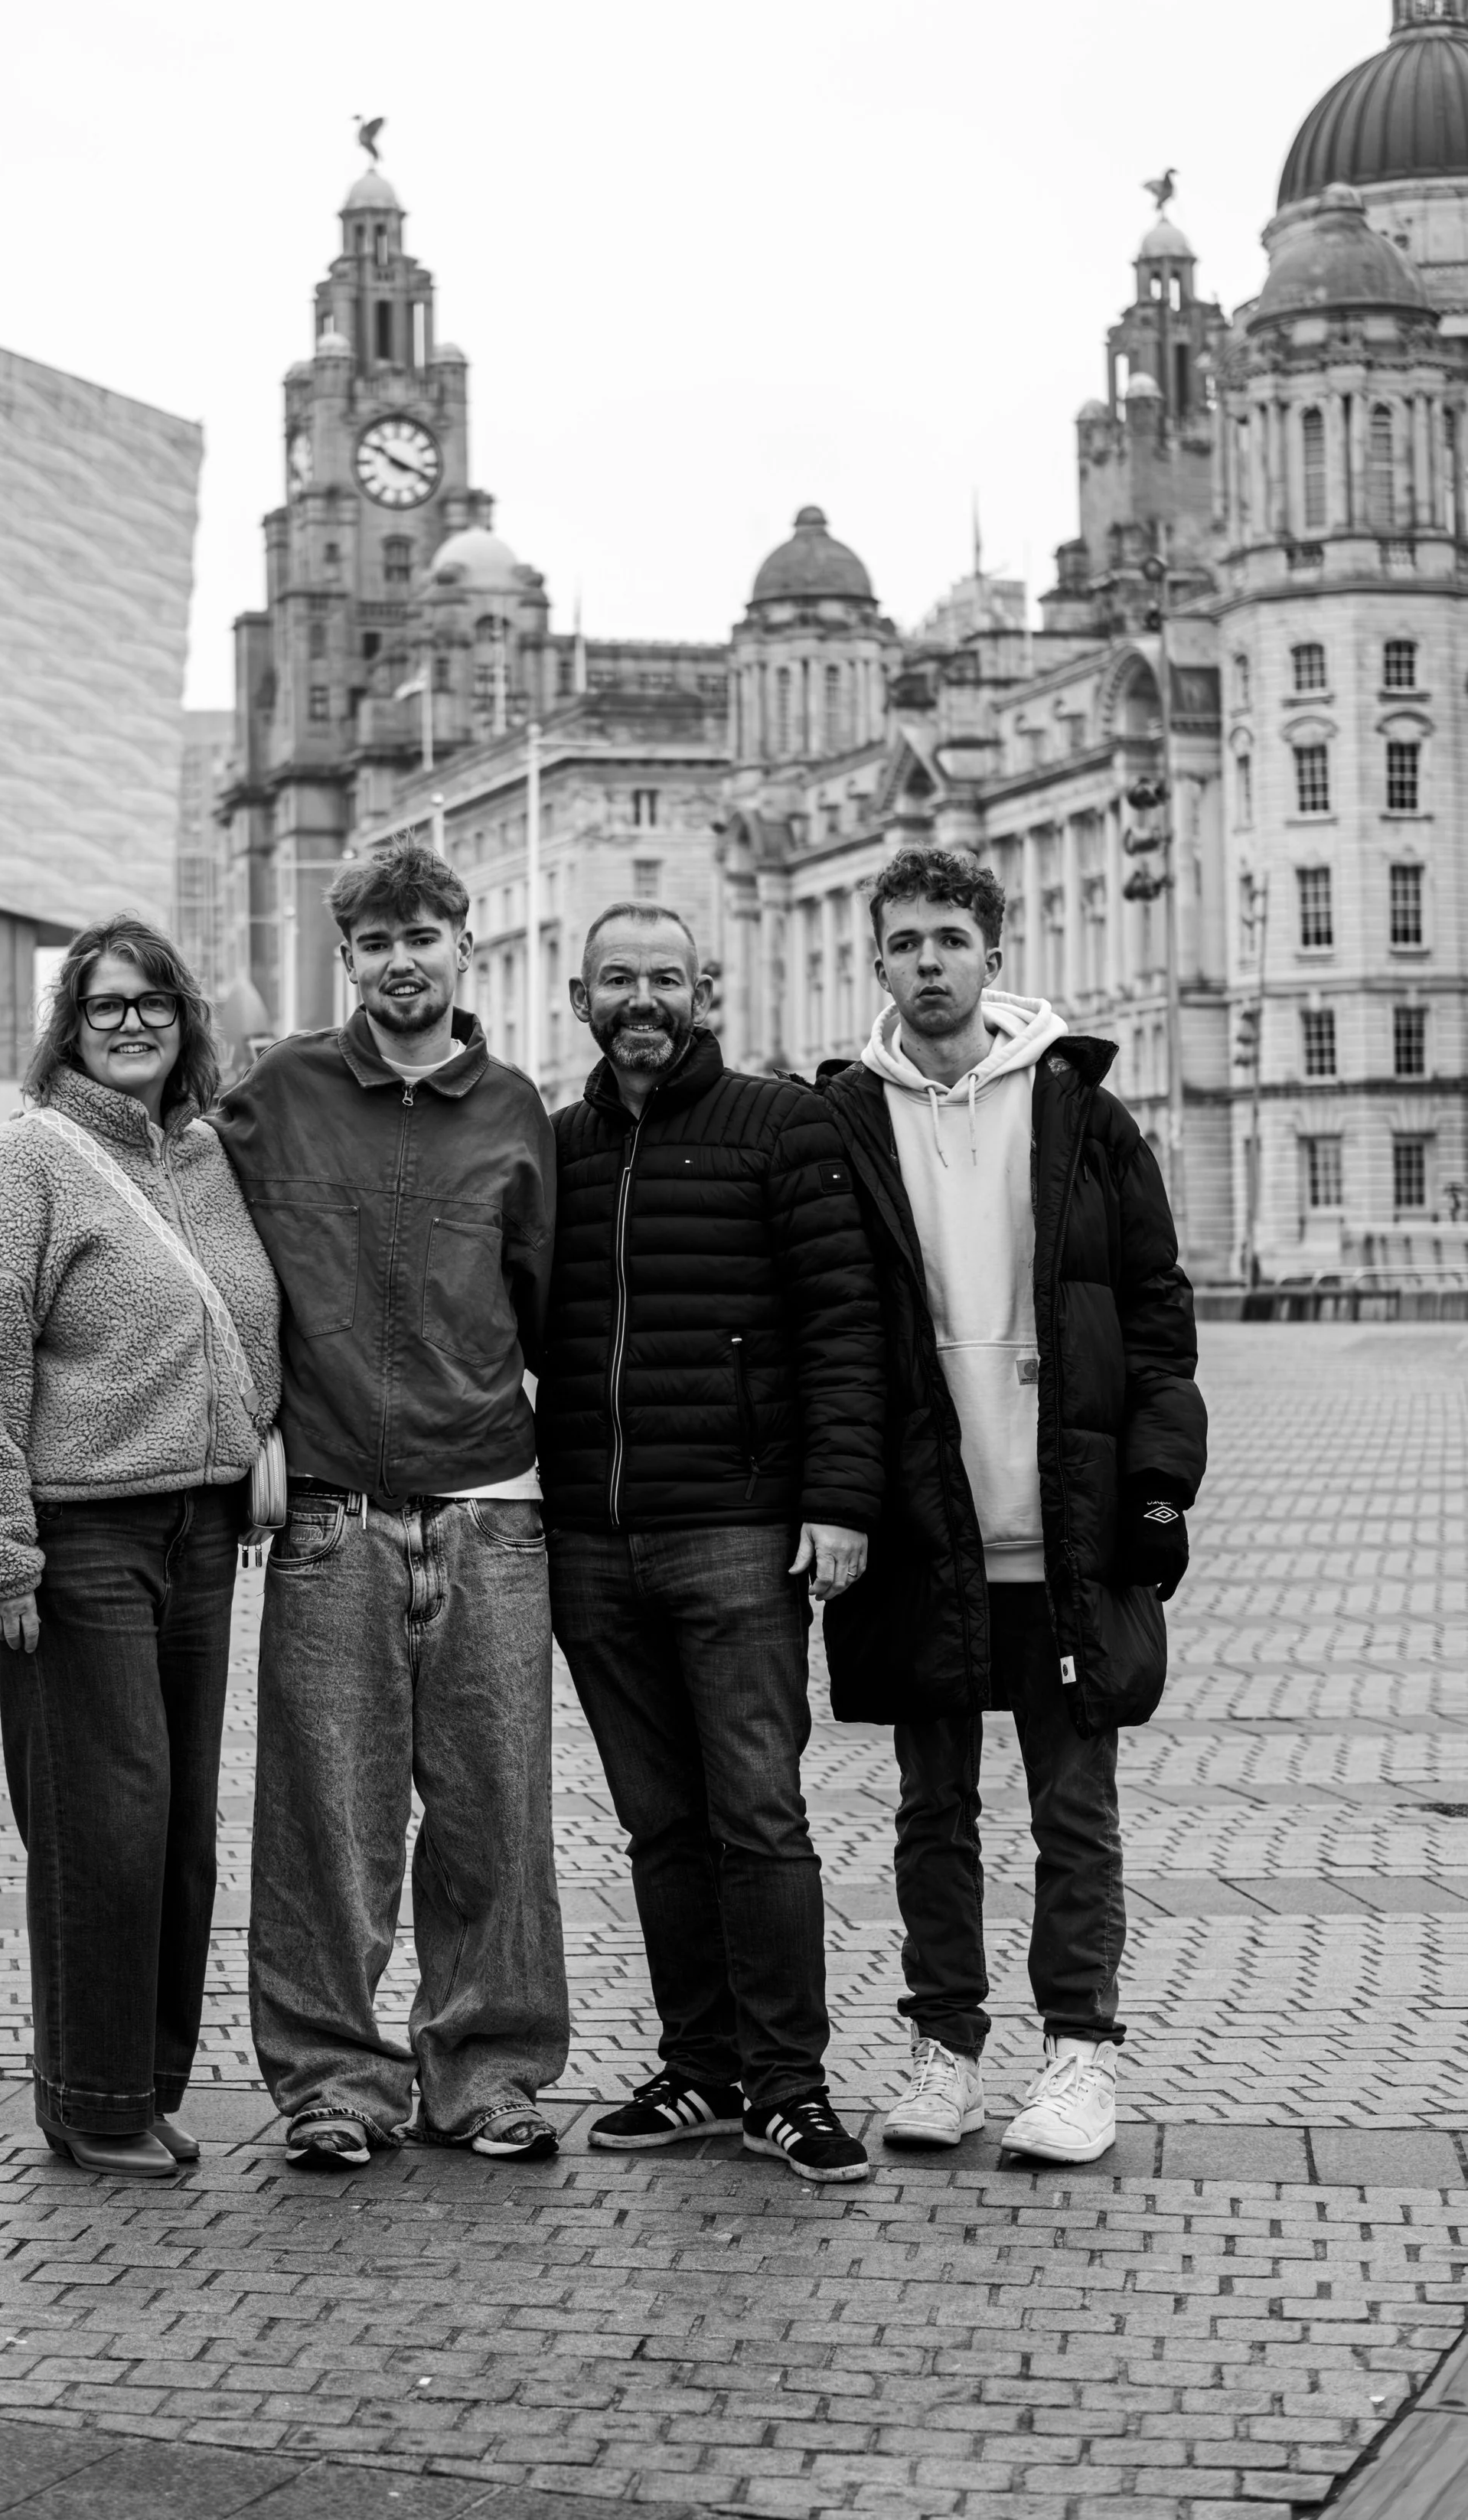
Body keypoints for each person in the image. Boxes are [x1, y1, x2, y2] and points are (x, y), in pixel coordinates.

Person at [815, 846, 1206, 2166]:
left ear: (994, 953)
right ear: (876, 960)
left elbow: (1155, 1310)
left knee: (1071, 1806)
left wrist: (1160, 1489)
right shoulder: (841, 1122)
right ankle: (944, 2050)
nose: (926, 961)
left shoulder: (1085, 1113)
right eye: (904, 940)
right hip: (922, 1520)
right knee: (932, 1809)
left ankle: (1079, 2057)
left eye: (948, 938)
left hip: (1065, 1517)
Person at [211, 834, 567, 2172]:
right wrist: (246, 1419)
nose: (401, 961)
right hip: (330, 1515)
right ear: (347, 956)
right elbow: (204, 1248)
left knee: (495, 1811)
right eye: (376, 942)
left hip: (490, 1504)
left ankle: (487, 2073)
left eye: (425, 936)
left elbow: (543, 1299)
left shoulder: (516, 1107)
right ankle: (332, 2086)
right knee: (326, 1814)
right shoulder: (280, 1091)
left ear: (463, 947)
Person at [0, 916, 280, 2180]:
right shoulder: (29, 1165)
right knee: (102, 1824)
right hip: (81, 1540)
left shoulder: (205, 1157)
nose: (132, 1023)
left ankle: (141, 2084)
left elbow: (239, 1313)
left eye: (155, 1004)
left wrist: (263, 1435)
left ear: (187, 1023)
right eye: (105, 1005)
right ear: (68, 1026)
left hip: (198, 1536)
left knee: (177, 1827)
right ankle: (89, 2098)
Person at [537, 903, 884, 2185]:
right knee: (660, 1826)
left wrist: (840, 1501)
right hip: (592, 1538)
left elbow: (847, 1324)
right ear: (581, 999)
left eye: (666, 979)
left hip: (737, 1535)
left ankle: (789, 2084)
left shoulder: (784, 1125)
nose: (643, 999)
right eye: (618, 977)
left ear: (707, 992)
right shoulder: (556, 1147)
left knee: (759, 1816)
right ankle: (702, 2064)